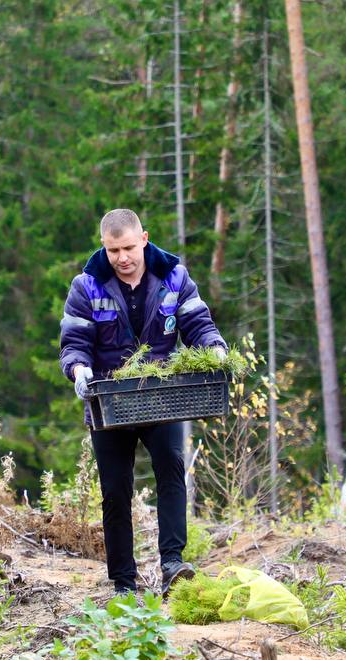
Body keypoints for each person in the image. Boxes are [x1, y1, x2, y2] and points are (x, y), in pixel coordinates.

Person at [59, 208, 227, 596]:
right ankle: (123, 581)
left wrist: (215, 350)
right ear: (104, 246)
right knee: (115, 489)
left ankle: (172, 563)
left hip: (163, 395)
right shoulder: (86, 287)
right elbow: (74, 343)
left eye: (129, 247)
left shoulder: (174, 277)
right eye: (113, 249)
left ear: (144, 239)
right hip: (109, 400)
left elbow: (198, 325)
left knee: (172, 468)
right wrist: (79, 370)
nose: (122, 257)